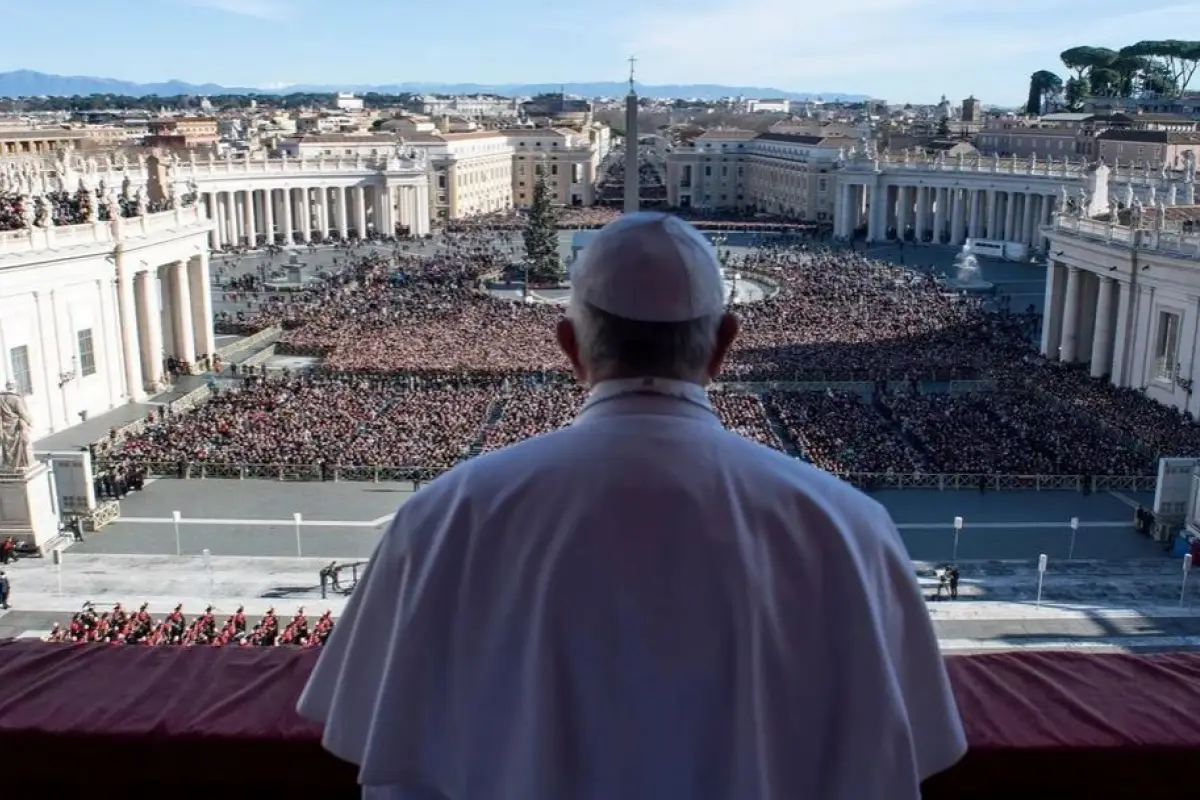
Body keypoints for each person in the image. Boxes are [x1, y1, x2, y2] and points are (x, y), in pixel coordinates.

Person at [298, 212, 966, 800]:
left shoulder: (444, 515)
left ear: (569, 347)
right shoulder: (848, 525)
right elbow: (906, 753)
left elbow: (378, 749)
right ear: (726, 345)